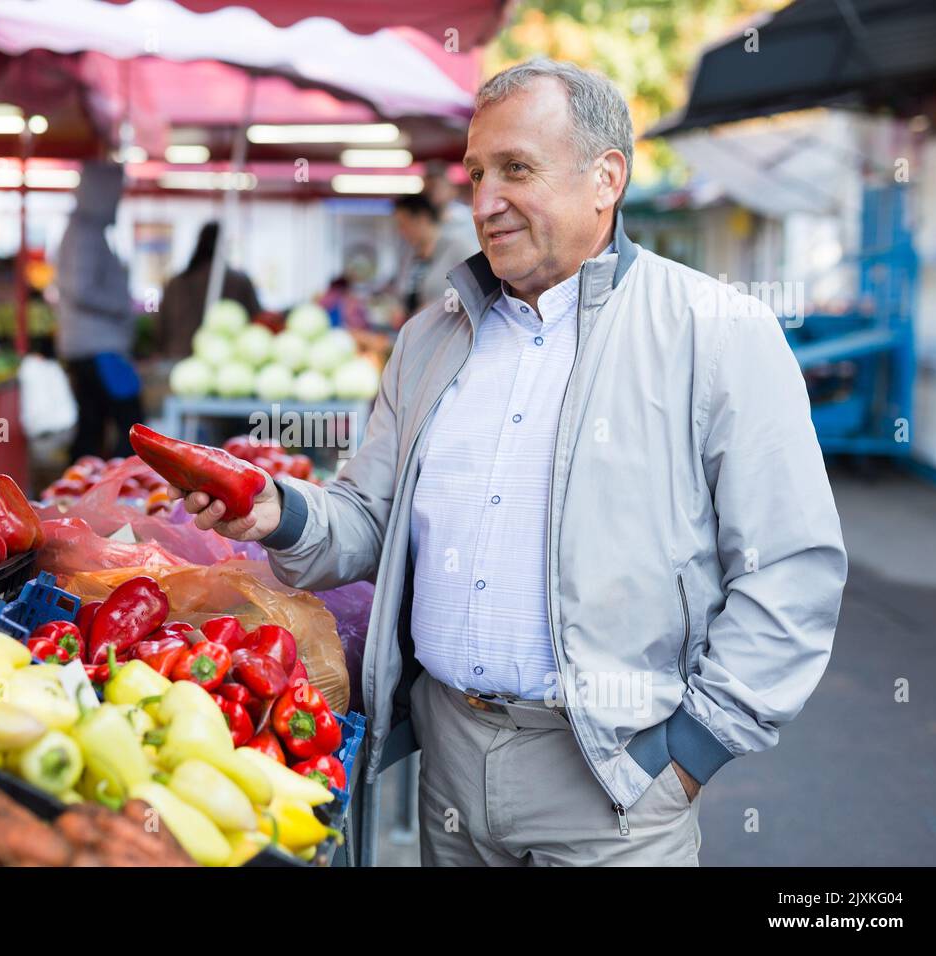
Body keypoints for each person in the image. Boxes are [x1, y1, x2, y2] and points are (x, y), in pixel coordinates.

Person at [173, 59, 847, 866]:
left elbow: (792, 569)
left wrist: (687, 755)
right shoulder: (431, 338)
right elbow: (371, 521)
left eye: (517, 169)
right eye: (477, 172)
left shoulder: (717, 331)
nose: (484, 202)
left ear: (607, 179)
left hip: (615, 786)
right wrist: (280, 512)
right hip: (450, 763)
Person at [53, 160, 143, 460]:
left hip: (91, 347)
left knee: (93, 425)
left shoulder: (84, 231)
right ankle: (122, 482)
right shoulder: (85, 234)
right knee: (131, 424)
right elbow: (80, 289)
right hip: (100, 349)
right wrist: (121, 305)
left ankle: (88, 486)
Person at [155, 222, 260, 358]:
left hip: (178, 356)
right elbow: (256, 320)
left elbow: (160, 328)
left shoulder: (175, 283)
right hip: (221, 359)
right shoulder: (239, 282)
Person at [390, 193, 477, 323]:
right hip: (418, 334)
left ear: (422, 218)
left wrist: (439, 308)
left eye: (404, 224)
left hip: (449, 333)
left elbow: (478, 292)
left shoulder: (458, 247)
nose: (402, 232)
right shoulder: (411, 256)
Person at [422, 158, 479, 252]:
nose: (431, 194)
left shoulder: (467, 219)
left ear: (452, 190)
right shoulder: (421, 223)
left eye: (436, 187)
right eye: (427, 188)